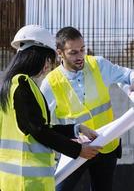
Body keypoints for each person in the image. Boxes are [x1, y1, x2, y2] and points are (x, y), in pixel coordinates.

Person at [0, 25, 101, 191]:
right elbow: (39, 131)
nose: (48, 66)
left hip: (13, 181)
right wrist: (77, 150)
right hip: (29, 183)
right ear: (34, 56)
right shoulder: (22, 85)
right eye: (47, 59)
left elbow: (34, 127)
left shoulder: (9, 85)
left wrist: (76, 129)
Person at [40, 26, 134, 191]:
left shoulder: (98, 64)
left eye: (82, 49)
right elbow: (41, 123)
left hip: (106, 146)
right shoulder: (51, 83)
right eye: (73, 52)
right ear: (60, 53)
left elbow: (127, 75)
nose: (80, 56)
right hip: (75, 151)